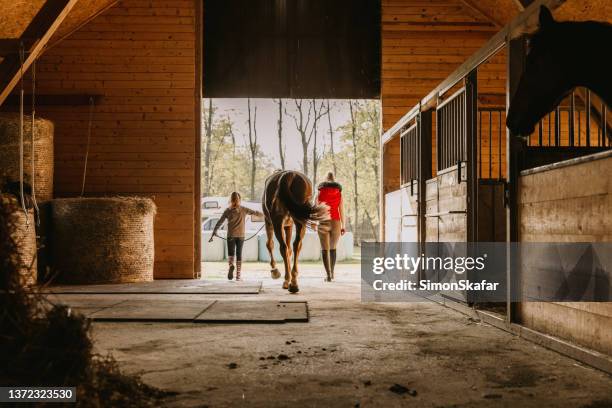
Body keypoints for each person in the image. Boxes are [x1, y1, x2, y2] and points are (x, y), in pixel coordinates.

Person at [210, 192, 263, 281]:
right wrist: (265, 214)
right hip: (241, 236)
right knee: (239, 254)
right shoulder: (243, 209)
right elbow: (256, 213)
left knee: (231, 254)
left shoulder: (227, 210)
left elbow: (220, 221)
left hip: (231, 235)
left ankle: (231, 265)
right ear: (239, 199)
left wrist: (214, 232)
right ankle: (238, 276)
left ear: (231, 200)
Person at [315, 172, 345, 281]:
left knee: (324, 249)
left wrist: (314, 222)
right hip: (336, 222)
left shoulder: (319, 192)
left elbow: (315, 208)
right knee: (333, 248)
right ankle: (332, 273)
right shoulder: (339, 193)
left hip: (323, 221)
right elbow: (341, 210)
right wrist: (343, 225)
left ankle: (327, 275)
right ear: (334, 180)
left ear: (325, 179)